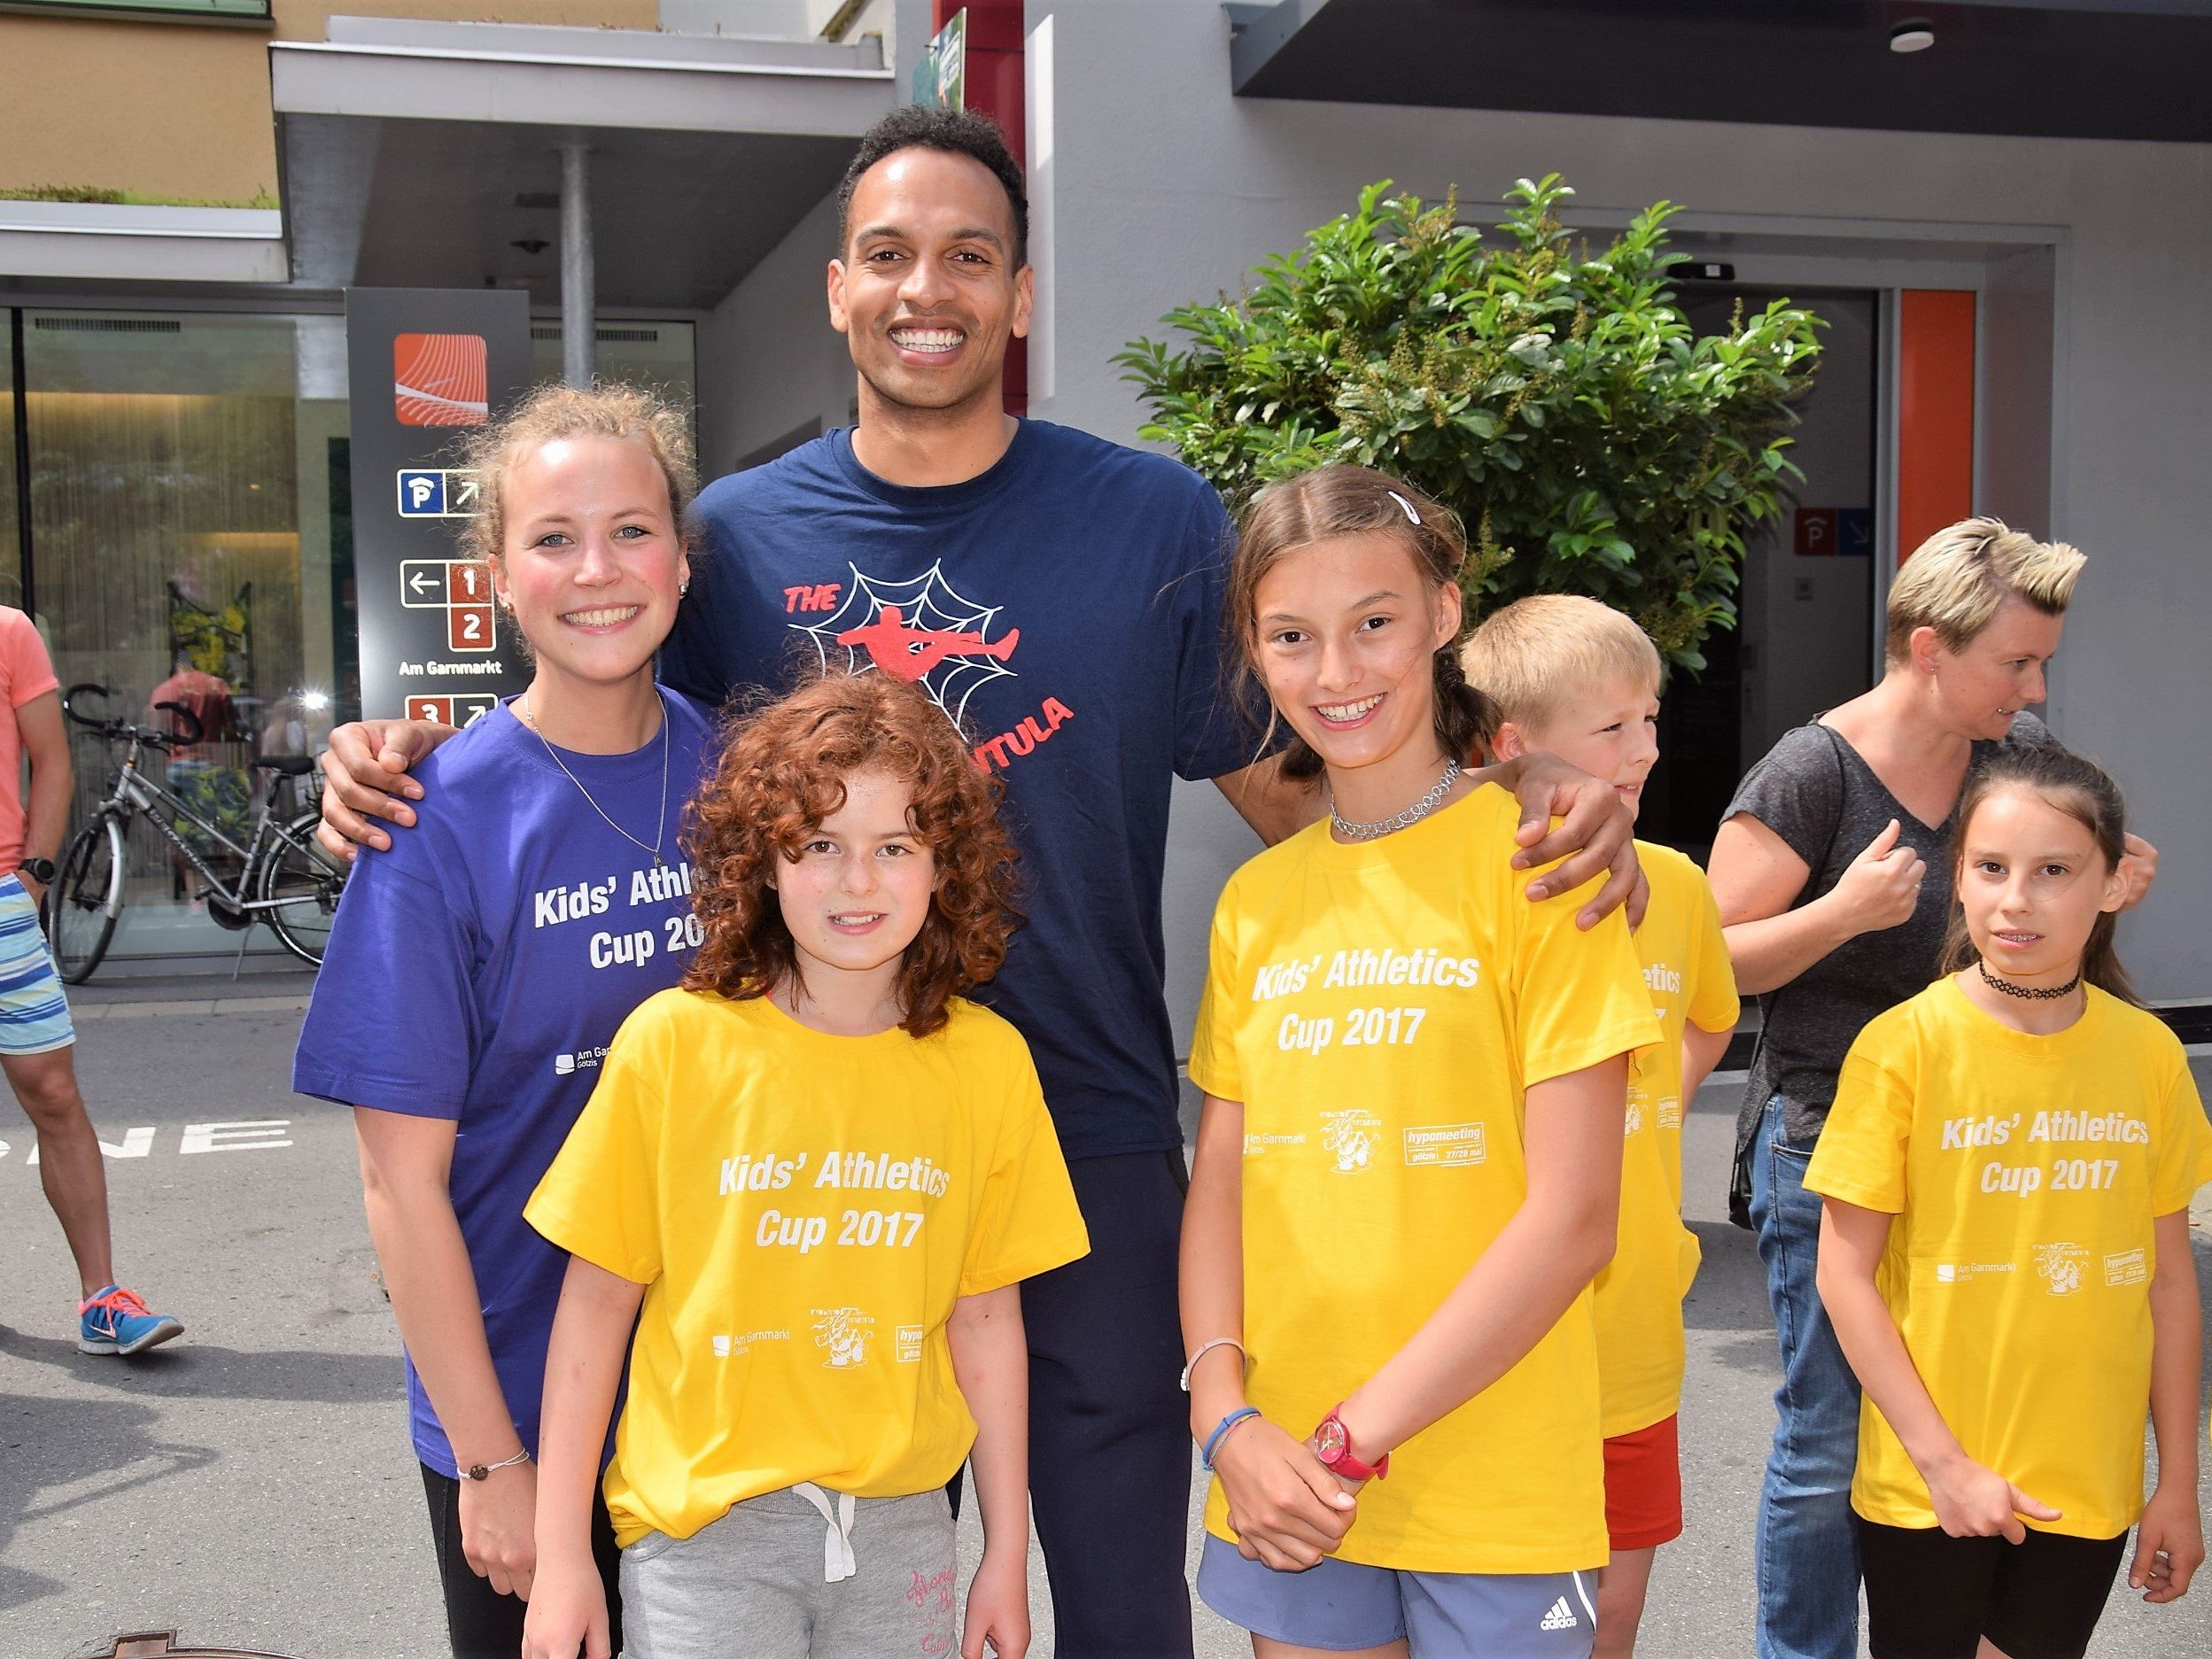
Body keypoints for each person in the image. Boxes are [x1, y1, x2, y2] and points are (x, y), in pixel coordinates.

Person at [311, 107, 1640, 1658]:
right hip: (828, 1155)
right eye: (886, 254)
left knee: (1119, 1601)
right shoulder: (734, 539)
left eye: (966, 256)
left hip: (1084, 1128)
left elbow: (1294, 773)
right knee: (875, 1591)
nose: (921, 287)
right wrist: (404, 753)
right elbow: (595, 703)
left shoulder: (1146, 516)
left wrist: (1512, 809)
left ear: (1019, 297)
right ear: (836, 288)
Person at [1180, 466, 1661, 1659]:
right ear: (1253, 648)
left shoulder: (1544, 862)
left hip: (1485, 1483)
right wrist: (1224, 1419)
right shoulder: (1254, 901)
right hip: (1281, 1475)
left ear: (1443, 615)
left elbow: (1576, 1218)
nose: (1336, 674)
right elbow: (1222, 1184)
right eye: (1292, 636)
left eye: (1374, 623)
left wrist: (1351, 1437)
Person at [520, 671, 1089, 1659]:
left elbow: (988, 1319)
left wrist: (1004, 1550)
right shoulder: (673, 1046)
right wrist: (562, 1552)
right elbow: (594, 1306)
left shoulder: (987, 1062)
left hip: (905, 1526)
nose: (856, 880)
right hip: (701, 1538)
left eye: (894, 847)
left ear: (943, 866)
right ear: (764, 861)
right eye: (820, 844)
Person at [292, 384, 712, 1659]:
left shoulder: (749, 776)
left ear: (682, 563)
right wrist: (488, 1462)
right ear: (495, 578)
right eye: (553, 538)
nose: (598, 570)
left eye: (633, 531)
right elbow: (396, 1182)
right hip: (520, 1405)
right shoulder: (432, 822)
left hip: (724, 1405)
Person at [1704, 517, 2156, 1659]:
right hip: (1823, 1139)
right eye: (2014, 660)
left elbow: (2050, 876)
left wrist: (2106, 884)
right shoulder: (1813, 772)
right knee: (1828, 1437)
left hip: (1980, 1145)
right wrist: (1840, 914)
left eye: (2040, 661)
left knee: (1955, 1416)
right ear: (1927, 647)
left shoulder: (2016, 751)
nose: (2033, 684)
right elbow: (1696, 964)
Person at [1806, 743, 2208, 1659]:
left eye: (2053, 871)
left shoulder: (2147, 1056)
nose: (2014, 899)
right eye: (1990, 868)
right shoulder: (1900, 1046)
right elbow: (1843, 1273)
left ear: (2113, 884)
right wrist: (1944, 1466)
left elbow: (2168, 1286)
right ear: (1958, 878)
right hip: (1927, 1484)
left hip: (2087, 1486)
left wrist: (2175, 1483)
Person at [1463, 594, 1740, 1656]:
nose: (1646, 748)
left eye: (1652, 719)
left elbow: (1708, 1017)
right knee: (1512, 1607)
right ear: (1511, 746)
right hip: (1503, 1338)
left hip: (1632, 1341)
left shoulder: (1676, 885)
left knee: (1608, 1612)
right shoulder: (1476, 886)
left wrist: (1642, 1101)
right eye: (1613, 725)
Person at [0, 607, 183, 1355]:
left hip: (3, 905)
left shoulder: (10, 630)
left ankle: (101, 1301)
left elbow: (54, 762)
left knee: (54, 1093)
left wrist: (33, 882)